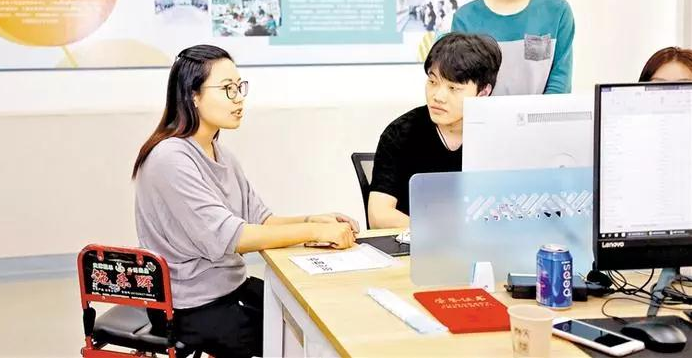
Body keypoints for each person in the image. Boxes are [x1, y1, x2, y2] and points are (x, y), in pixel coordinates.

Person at [133, 45, 357, 357]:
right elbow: (234, 237)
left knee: (314, 316)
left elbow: (261, 220)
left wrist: (313, 220)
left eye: (240, 87)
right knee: (302, 340)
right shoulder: (170, 158)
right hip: (190, 308)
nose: (239, 98)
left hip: (230, 289)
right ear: (193, 96)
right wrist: (315, 232)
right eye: (227, 89)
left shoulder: (221, 154)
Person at [367, 33, 502, 228]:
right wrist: (439, 233)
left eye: (453, 88)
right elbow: (379, 216)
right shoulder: (401, 133)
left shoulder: (498, 135)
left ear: (483, 93)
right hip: (414, 242)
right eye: (433, 82)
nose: (438, 96)